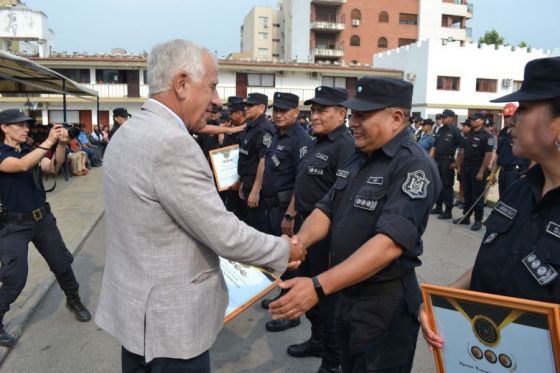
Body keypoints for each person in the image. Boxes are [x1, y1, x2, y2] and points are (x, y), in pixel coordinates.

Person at [95, 39, 304, 373]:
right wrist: (283, 250)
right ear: (181, 84)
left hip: (138, 317)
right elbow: (224, 233)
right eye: (212, 87)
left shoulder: (130, 130)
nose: (217, 100)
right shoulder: (171, 144)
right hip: (171, 328)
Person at [269, 77, 441, 373]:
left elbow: (388, 244)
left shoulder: (413, 166)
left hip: (384, 305)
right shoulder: (358, 158)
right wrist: (298, 244)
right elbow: (326, 209)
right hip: (347, 292)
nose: (354, 123)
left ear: (396, 118)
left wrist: (319, 286)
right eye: (354, 115)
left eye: (364, 115)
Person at [420, 55, 560, 352]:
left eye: (524, 109)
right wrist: (441, 302)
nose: (510, 120)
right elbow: (497, 261)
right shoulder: (521, 189)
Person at [0, 109, 92, 347]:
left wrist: (60, 145)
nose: (26, 129)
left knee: (62, 263)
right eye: (19, 125)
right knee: (15, 277)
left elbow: (52, 167)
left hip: (42, 220)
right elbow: (20, 166)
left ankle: (73, 300)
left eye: (26, 125)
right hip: (13, 225)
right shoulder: (3, 153)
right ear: (4, 128)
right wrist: (49, 140)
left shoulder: (30, 150)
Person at [281, 85, 355, 373]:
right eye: (312, 110)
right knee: (305, 289)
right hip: (305, 226)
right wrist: (291, 214)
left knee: (327, 300)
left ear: (341, 113)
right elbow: (304, 184)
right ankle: (317, 340)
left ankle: (332, 361)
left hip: (327, 233)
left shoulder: (344, 145)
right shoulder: (317, 142)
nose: (314, 116)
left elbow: (344, 197)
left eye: (321, 110)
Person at [260, 92, 313, 333]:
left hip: (285, 209)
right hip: (272, 206)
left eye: (284, 111)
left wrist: (290, 215)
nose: (278, 115)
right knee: (279, 259)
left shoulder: (300, 139)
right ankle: (282, 296)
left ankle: (291, 314)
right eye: (276, 110)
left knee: (291, 261)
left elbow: (301, 181)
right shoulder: (277, 135)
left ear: (296, 112)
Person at [237, 93, 275, 232]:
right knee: (250, 222)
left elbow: (263, 160)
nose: (246, 108)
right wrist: (243, 182)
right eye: (246, 105)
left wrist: (255, 189)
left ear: (261, 108)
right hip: (248, 181)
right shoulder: (251, 127)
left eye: (250, 106)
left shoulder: (263, 129)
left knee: (258, 225)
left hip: (256, 183)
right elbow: (248, 159)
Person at [454, 113, 494, 231]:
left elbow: (488, 154)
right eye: (471, 119)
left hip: (478, 168)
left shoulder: (486, 136)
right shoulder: (468, 134)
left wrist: (481, 171)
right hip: (466, 167)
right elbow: (462, 151)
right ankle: (466, 217)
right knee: (467, 193)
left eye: (474, 119)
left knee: (477, 195)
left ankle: (478, 220)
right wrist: (460, 166)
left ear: (481, 121)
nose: (472, 121)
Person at [430, 109, 464, 220]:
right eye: (442, 117)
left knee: (447, 186)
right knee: (438, 185)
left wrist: (457, 163)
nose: (442, 119)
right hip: (438, 161)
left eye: (445, 117)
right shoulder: (440, 130)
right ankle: (438, 207)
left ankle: (448, 211)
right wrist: (430, 159)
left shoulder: (455, 131)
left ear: (451, 118)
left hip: (447, 162)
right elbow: (435, 146)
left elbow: (463, 147)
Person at [492, 103, 531, 198]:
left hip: (516, 172)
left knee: (513, 199)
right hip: (503, 171)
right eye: (505, 116)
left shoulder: (523, 131)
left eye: (510, 116)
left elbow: (531, 154)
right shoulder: (503, 132)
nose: (507, 119)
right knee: (503, 198)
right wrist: (493, 173)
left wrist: (527, 173)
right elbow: (498, 154)